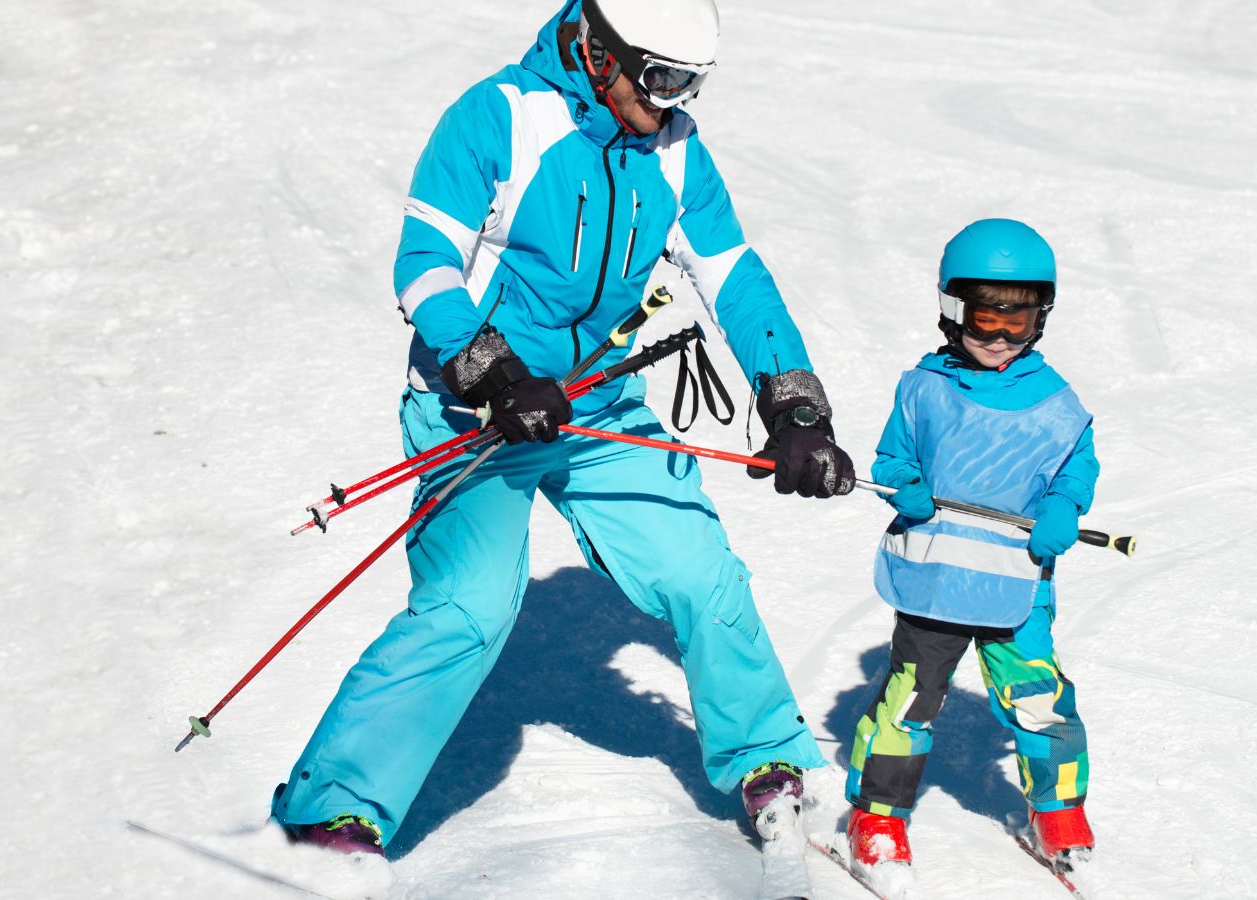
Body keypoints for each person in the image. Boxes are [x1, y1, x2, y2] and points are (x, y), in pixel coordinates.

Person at [269, 0, 856, 855]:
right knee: (469, 607)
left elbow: (735, 277)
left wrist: (795, 405)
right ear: (598, 52)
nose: (674, 101)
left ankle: (767, 755)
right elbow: (423, 265)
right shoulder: (502, 117)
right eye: (661, 78)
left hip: (596, 404)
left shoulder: (672, 147)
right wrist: (494, 373)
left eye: (691, 83)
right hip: (475, 410)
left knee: (699, 571)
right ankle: (331, 809)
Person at [842, 219, 1099, 881]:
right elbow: (893, 458)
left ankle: (1057, 811)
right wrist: (902, 485)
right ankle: (877, 816)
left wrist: (1064, 506)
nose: (1000, 337)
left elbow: (1075, 469)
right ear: (954, 310)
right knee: (911, 698)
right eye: (987, 318)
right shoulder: (924, 389)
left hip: (1017, 582)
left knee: (1038, 696)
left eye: (1019, 321)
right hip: (936, 581)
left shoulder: (1057, 404)